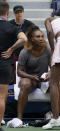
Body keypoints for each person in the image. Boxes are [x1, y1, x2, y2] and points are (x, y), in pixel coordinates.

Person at [8, 25, 51, 126]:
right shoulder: (25, 52)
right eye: (38, 37)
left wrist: (49, 74)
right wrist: (31, 77)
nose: (41, 38)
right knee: (25, 84)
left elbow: (53, 67)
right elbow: (19, 71)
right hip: (30, 78)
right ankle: (19, 119)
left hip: (43, 80)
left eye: (42, 36)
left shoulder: (48, 49)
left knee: (55, 83)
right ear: (32, 39)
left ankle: (55, 117)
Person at [0, 2, 27, 131]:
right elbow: (24, 39)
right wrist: (11, 49)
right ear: (8, 12)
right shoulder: (11, 27)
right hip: (4, 64)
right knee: (1, 97)